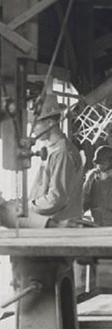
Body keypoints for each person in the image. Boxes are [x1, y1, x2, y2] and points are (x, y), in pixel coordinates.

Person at [0, 92, 84, 229]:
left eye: (35, 124)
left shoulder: (62, 153)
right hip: (49, 224)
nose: (32, 131)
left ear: (50, 123)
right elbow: (42, 191)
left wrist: (27, 207)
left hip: (60, 229)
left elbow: (55, 199)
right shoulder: (52, 149)